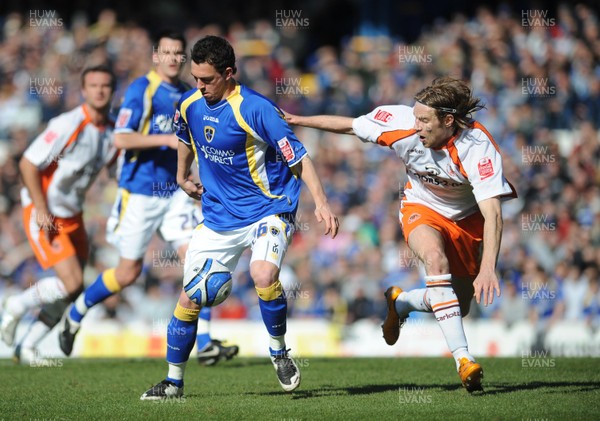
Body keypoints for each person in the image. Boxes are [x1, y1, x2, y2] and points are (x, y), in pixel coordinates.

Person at [285, 76, 516, 392]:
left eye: (424, 120)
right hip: (421, 207)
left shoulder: (477, 147)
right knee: (435, 262)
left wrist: (488, 267)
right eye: (416, 116)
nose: (417, 124)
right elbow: (350, 125)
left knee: (458, 305)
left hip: (468, 222)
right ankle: (464, 360)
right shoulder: (400, 121)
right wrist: (298, 119)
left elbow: (494, 214)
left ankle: (401, 303)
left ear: (449, 121)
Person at [140, 35, 339, 400]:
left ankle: (278, 351)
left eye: (207, 80)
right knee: (189, 299)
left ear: (229, 73)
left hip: (269, 207)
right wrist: (183, 177)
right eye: (195, 78)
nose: (199, 87)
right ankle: (173, 383)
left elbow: (299, 157)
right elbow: (185, 138)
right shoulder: (189, 104)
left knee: (263, 274)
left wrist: (321, 203)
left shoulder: (256, 109)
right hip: (218, 216)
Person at [59, 30, 238, 364]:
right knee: (127, 273)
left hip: (175, 192)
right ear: (156, 56)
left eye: (177, 54)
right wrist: (165, 141)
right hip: (139, 193)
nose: (172, 59)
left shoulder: (189, 93)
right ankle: (76, 313)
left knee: (199, 259)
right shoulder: (142, 89)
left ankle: (206, 342)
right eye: (166, 53)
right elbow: (122, 140)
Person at [0, 65, 118, 364]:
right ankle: (16, 304)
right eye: (93, 85)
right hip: (45, 211)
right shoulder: (69, 123)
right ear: (83, 90)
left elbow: (117, 174)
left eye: (105, 85)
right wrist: (41, 209)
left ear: (112, 90)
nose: (100, 90)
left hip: (73, 215)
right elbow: (28, 163)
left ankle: (28, 348)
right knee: (72, 282)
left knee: (71, 291)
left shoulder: (111, 133)